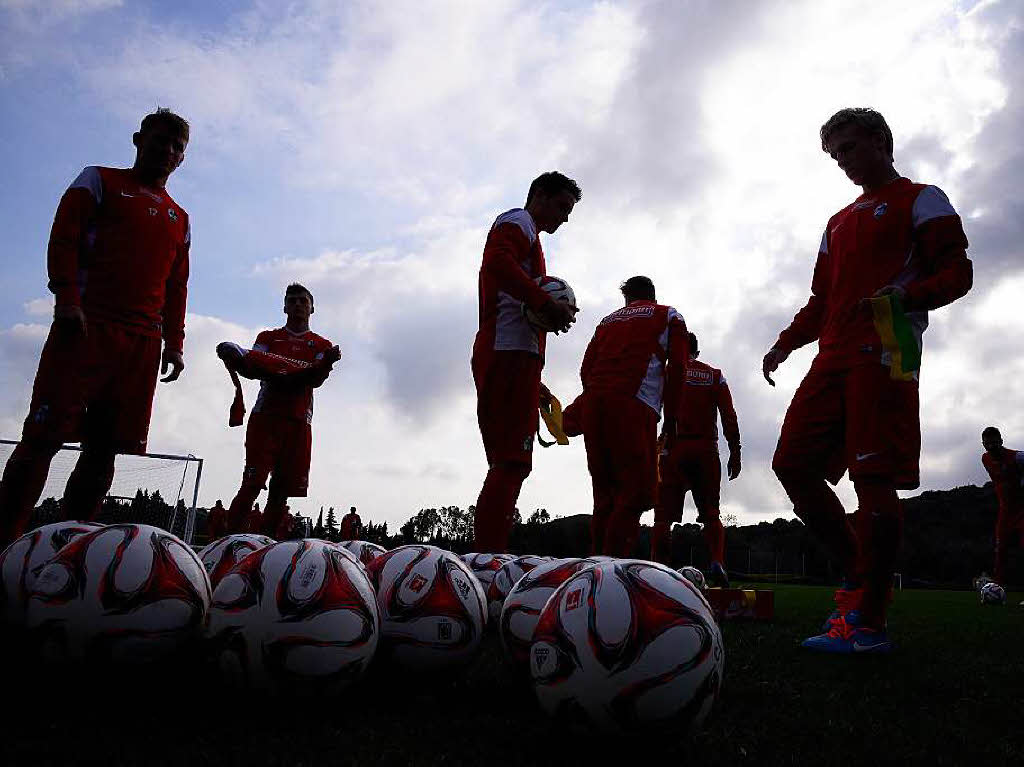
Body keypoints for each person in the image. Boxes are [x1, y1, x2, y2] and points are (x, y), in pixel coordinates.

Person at [763, 108, 972, 653]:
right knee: (792, 464)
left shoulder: (921, 198)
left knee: (872, 477)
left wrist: (911, 295)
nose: (844, 163)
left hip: (885, 348)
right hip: (831, 354)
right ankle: (862, 573)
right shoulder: (837, 222)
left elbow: (959, 270)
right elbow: (820, 299)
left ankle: (869, 623)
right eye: (835, 156)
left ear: (881, 141)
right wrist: (786, 343)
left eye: (850, 149)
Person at [0, 108, 192, 547]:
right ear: (137, 139)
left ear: (183, 159)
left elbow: (177, 284)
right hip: (87, 327)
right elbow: (64, 236)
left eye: (177, 146)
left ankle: (67, 547)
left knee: (105, 449)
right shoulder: (99, 180)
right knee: (43, 439)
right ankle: (6, 541)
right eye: (160, 140)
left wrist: (174, 342)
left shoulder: (179, 217)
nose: (167, 150)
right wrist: (66, 298)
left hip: (141, 344)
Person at [471, 171, 581, 553]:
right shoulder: (517, 221)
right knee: (511, 461)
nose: (565, 218)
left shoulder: (531, 241)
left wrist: (537, 383)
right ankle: (487, 559)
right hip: (507, 356)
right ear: (540, 196)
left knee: (512, 462)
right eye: (562, 207)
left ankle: (489, 553)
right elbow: (497, 263)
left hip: (519, 363)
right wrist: (544, 301)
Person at [574, 276, 688, 557]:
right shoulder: (669, 315)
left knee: (604, 496)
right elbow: (678, 367)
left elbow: (586, 368)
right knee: (638, 491)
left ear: (627, 299)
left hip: (595, 405)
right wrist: (671, 417)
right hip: (635, 404)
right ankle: (612, 567)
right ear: (653, 296)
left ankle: (594, 567)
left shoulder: (607, 321)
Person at [223, 284, 341, 539]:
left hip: (299, 422)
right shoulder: (268, 338)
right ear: (284, 307)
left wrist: (323, 365)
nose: (298, 304)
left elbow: (315, 380)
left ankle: (267, 547)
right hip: (266, 417)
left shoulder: (322, 344)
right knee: (252, 483)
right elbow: (254, 368)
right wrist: (236, 357)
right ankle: (226, 543)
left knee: (280, 490)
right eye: (292, 300)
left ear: (312, 308)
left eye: (303, 300)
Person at [652, 332, 739, 585]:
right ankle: (717, 563)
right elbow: (729, 415)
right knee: (712, 514)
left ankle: (657, 572)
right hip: (706, 451)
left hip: (672, 449)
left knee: (663, 517)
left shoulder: (665, 373)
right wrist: (736, 450)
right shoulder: (714, 375)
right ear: (697, 353)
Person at [981, 427, 1024, 587]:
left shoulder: (1017, 457)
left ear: (1001, 442)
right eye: (988, 444)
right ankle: (997, 587)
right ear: (983, 444)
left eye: (994, 443)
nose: (991, 447)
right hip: (1005, 512)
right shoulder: (985, 459)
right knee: (1001, 550)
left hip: (1022, 510)